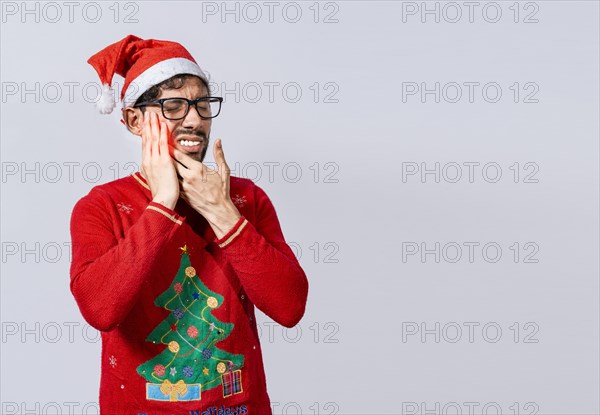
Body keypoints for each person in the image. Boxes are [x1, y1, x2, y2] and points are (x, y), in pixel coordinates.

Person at [69, 34, 309, 415]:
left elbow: (290, 307)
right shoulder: (102, 206)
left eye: (202, 105)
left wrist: (223, 212)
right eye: (174, 106)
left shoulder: (247, 199)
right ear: (134, 120)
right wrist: (162, 203)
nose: (195, 120)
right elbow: (101, 310)